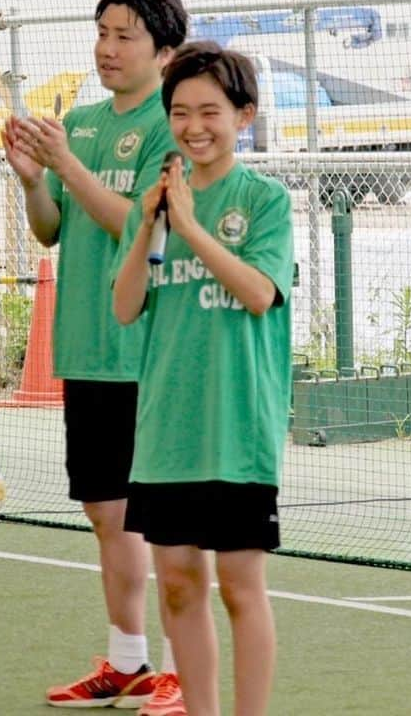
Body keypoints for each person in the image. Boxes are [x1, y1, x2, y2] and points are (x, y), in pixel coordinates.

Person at [2, 0, 190, 713]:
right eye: (102, 32)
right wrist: (30, 181)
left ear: (164, 53)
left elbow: (136, 224)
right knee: (107, 514)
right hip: (85, 350)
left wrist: (68, 168)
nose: (106, 49)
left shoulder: (172, 126)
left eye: (125, 36)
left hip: (149, 352)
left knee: (167, 519)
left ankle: (179, 667)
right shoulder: (76, 122)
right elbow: (55, 228)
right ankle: (128, 660)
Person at [113, 41, 294, 716]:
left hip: (237, 430)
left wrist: (191, 225)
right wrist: (148, 228)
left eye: (210, 111)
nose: (194, 126)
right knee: (180, 587)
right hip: (167, 430)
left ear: (243, 115)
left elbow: (256, 292)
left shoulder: (265, 201)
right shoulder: (153, 204)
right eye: (180, 112)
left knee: (241, 586)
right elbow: (126, 306)